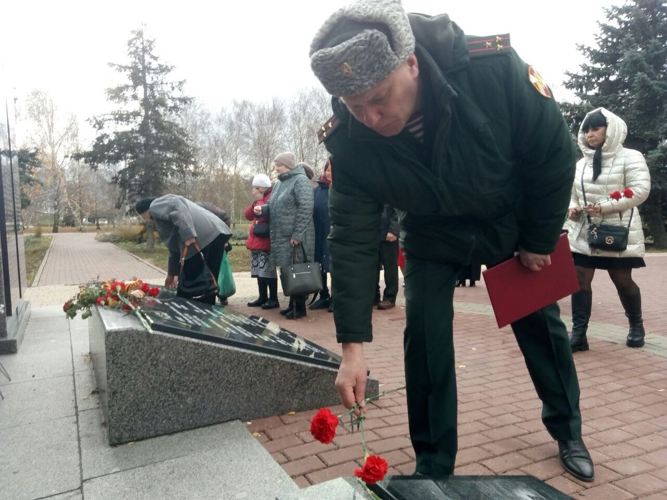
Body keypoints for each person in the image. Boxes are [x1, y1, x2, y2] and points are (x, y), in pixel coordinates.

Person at [309, 0, 594, 482]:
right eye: (357, 108)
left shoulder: (490, 69)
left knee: (540, 329)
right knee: (424, 338)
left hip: (509, 222)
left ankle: (567, 427)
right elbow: (352, 238)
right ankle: (434, 464)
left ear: (412, 63)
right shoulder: (350, 138)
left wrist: (539, 239)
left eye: (380, 98)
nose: (373, 118)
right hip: (431, 232)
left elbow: (552, 153)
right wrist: (352, 345)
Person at [564, 108, 650, 352]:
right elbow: (573, 193)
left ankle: (636, 325)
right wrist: (573, 207)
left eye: (596, 128)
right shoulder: (581, 163)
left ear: (609, 129)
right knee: (580, 277)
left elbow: (640, 190)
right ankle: (579, 334)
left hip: (618, 230)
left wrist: (602, 207)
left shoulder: (631, 157)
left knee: (622, 279)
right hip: (584, 231)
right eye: (586, 130)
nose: (590, 134)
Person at [135, 195, 231, 305]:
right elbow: (174, 247)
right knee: (207, 283)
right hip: (217, 235)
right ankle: (206, 313)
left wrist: (188, 233)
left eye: (144, 218)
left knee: (190, 285)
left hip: (200, 239)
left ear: (145, 212)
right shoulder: (164, 216)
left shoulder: (155, 205)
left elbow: (177, 204)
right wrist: (172, 273)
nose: (147, 222)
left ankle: (188, 315)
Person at [254, 153, 315, 320]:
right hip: (280, 236)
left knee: (297, 270)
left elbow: (306, 208)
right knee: (287, 271)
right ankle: (292, 304)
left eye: (278, 164)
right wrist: (263, 209)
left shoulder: (300, 181)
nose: (276, 167)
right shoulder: (280, 183)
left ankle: (299, 306)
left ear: (288, 165)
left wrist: (298, 233)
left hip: (295, 237)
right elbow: (274, 205)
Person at [244, 174, 280, 310]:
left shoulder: (271, 197)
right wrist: (255, 201)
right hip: (256, 240)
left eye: (258, 188)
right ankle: (262, 296)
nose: (255, 191)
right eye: (254, 188)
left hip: (266, 240)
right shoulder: (259, 200)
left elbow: (263, 213)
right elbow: (248, 215)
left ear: (264, 187)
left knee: (268, 271)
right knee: (259, 271)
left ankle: (273, 298)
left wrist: (259, 202)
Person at [311, 159, 333, 311]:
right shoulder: (316, 191)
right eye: (327, 169)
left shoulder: (343, 189)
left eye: (332, 170)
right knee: (320, 265)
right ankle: (323, 295)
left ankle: (336, 298)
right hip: (319, 233)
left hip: (335, 235)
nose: (329, 172)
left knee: (334, 267)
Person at [375, 205, 399, 310]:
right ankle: (374, 296)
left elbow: (398, 211)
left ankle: (390, 297)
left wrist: (393, 230)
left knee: (390, 267)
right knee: (372, 267)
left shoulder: (391, 190)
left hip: (388, 235)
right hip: (374, 234)